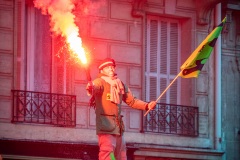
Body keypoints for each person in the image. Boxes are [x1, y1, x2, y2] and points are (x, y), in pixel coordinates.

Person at [86, 58, 156, 160]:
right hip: (106, 127)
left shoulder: (120, 84)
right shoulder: (100, 82)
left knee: (122, 155)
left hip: (118, 128)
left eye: (112, 67)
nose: (110, 68)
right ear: (101, 70)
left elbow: (132, 101)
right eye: (107, 67)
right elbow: (95, 87)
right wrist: (90, 87)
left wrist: (147, 105)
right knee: (108, 154)